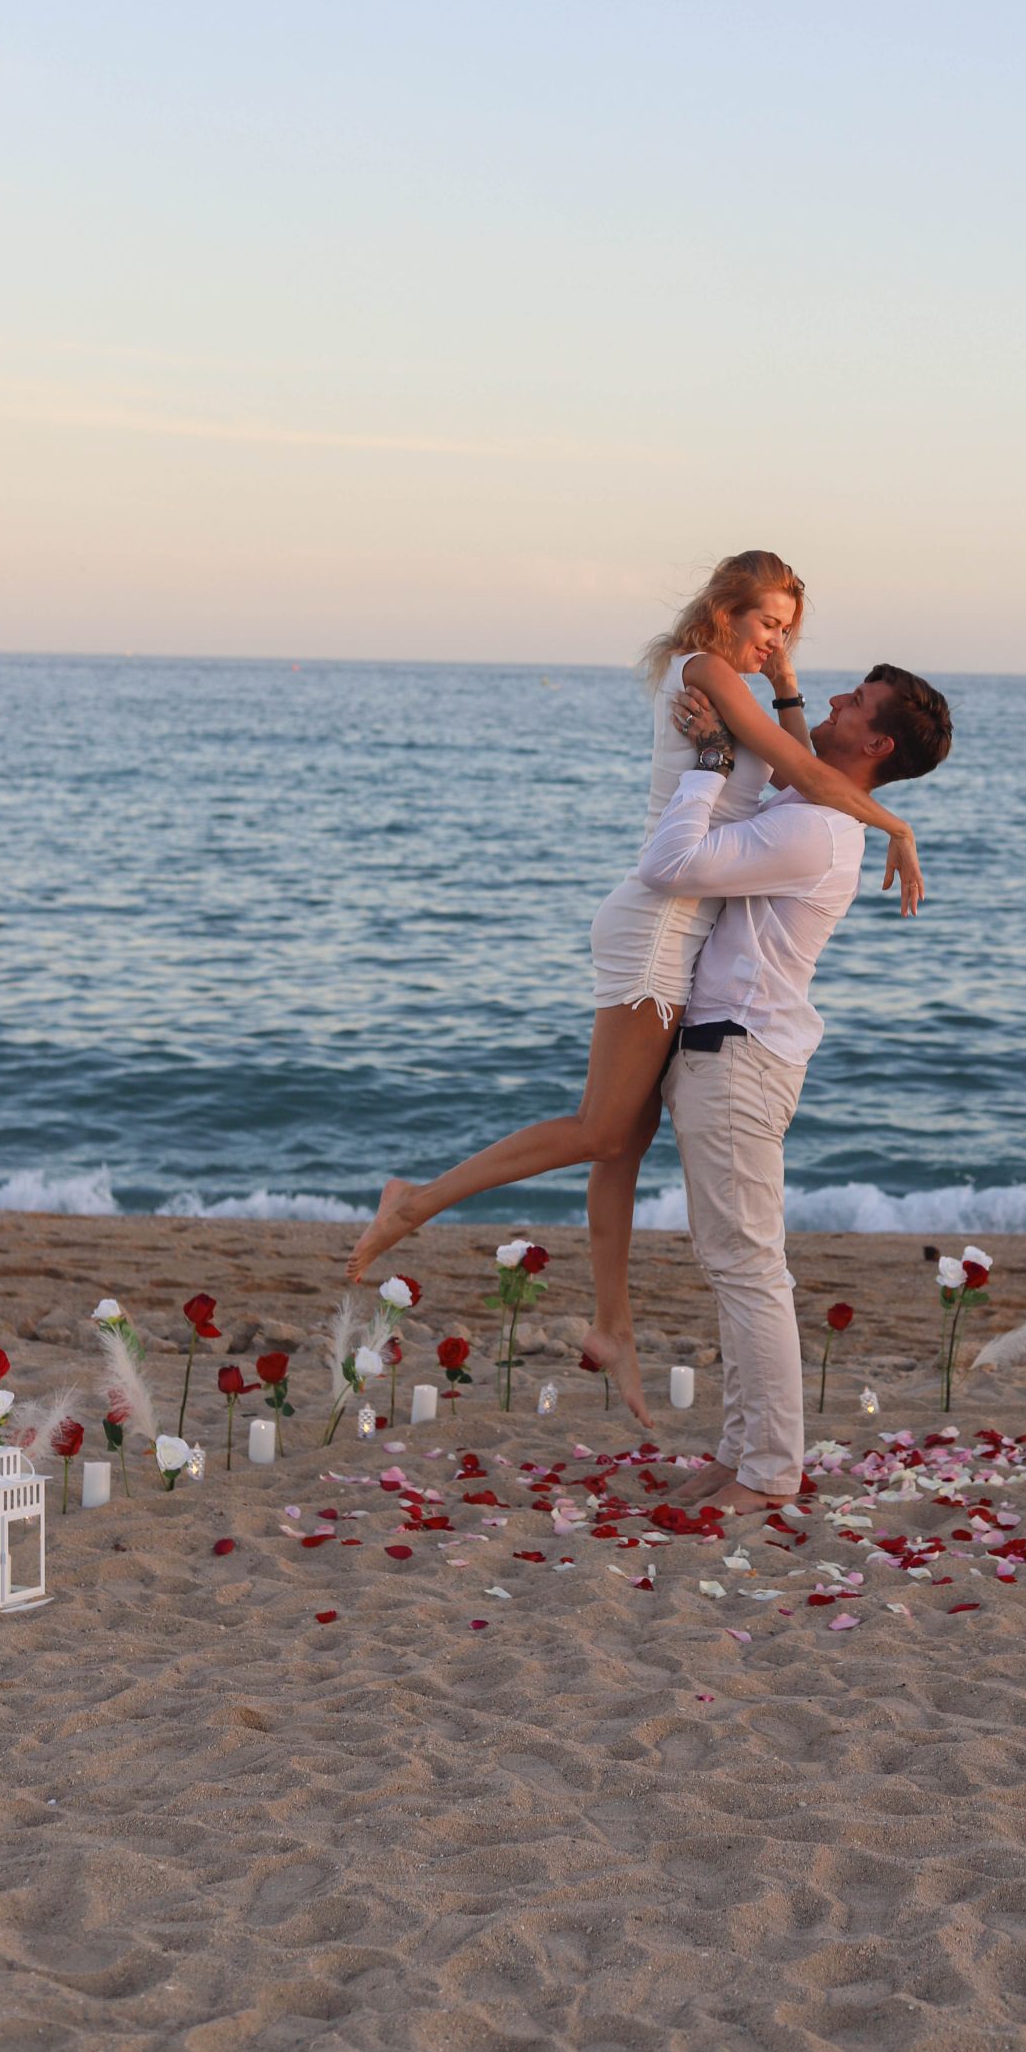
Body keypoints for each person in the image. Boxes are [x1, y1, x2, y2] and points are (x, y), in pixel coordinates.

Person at [344, 551, 925, 1425]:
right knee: (603, 1126)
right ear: (723, 610)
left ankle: (612, 1322)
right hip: (659, 921)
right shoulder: (705, 673)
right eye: (766, 623)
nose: (774, 639)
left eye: (785, 629)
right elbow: (806, 778)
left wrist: (790, 679)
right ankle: (413, 1203)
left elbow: (798, 771)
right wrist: (899, 823)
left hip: (678, 921)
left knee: (627, 1138)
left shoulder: (731, 677)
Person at [643, 665, 953, 1513]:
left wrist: (708, 757)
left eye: (851, 703)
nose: (830, 703)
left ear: (875, 743)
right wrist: (777, 683)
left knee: (749, 1272)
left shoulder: (816, 830)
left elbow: (669, 864)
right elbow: (789, 759)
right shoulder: (813, 807)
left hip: (738, 1055)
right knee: (731, 1266)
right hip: (727, 1053)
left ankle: (769, 1470)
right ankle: (740, 1454)